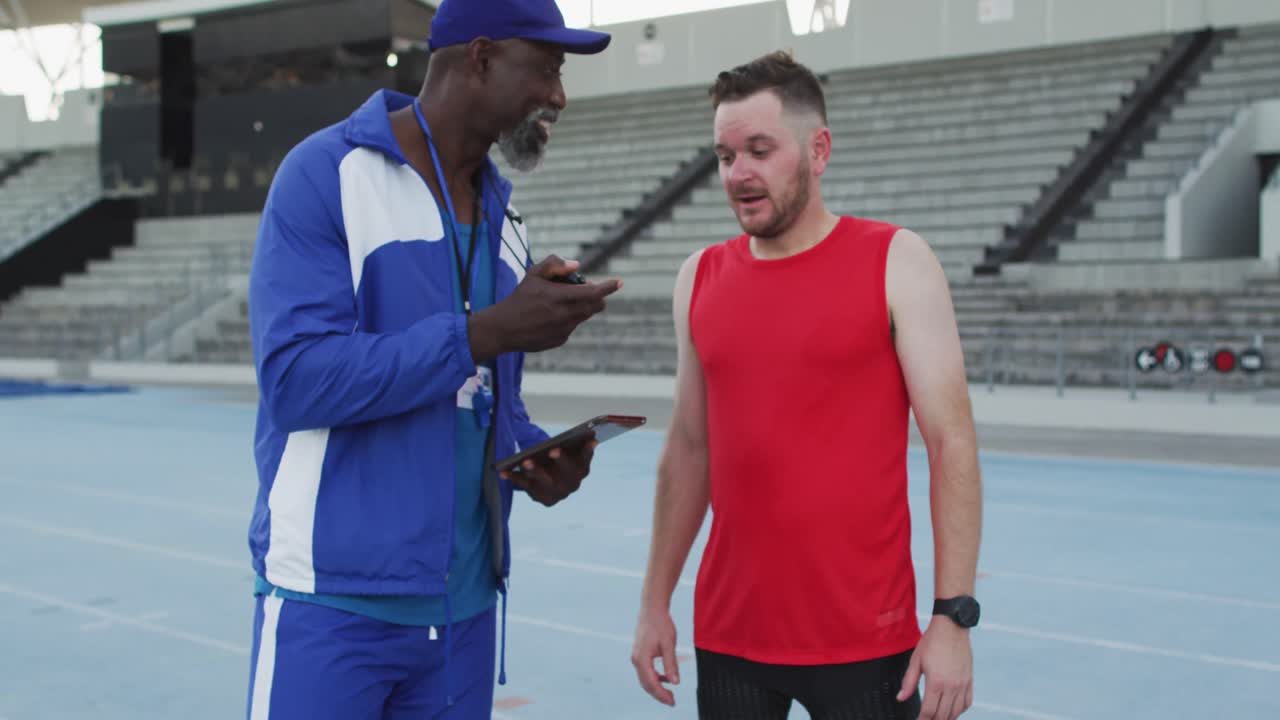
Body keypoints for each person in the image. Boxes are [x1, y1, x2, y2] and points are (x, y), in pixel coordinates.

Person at [243, 2, 620, 718]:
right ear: (480, 57)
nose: (558, 95)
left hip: (464, 615)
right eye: (546, 69)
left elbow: (486, 398)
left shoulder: (504, 218)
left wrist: (536, 455)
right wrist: (483, 332)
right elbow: (294, 380)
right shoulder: (325, 175)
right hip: (332, 607)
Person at [630, 50, 984, 720]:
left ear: (818, 150)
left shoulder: (896, 261)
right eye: (725, 155)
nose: (738, 173)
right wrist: (654, 602)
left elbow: (951, 443)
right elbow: (688, 450)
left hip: (867, 640)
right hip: (731, 637)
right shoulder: (698, 278)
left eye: (760, 151)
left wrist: (952, 617)